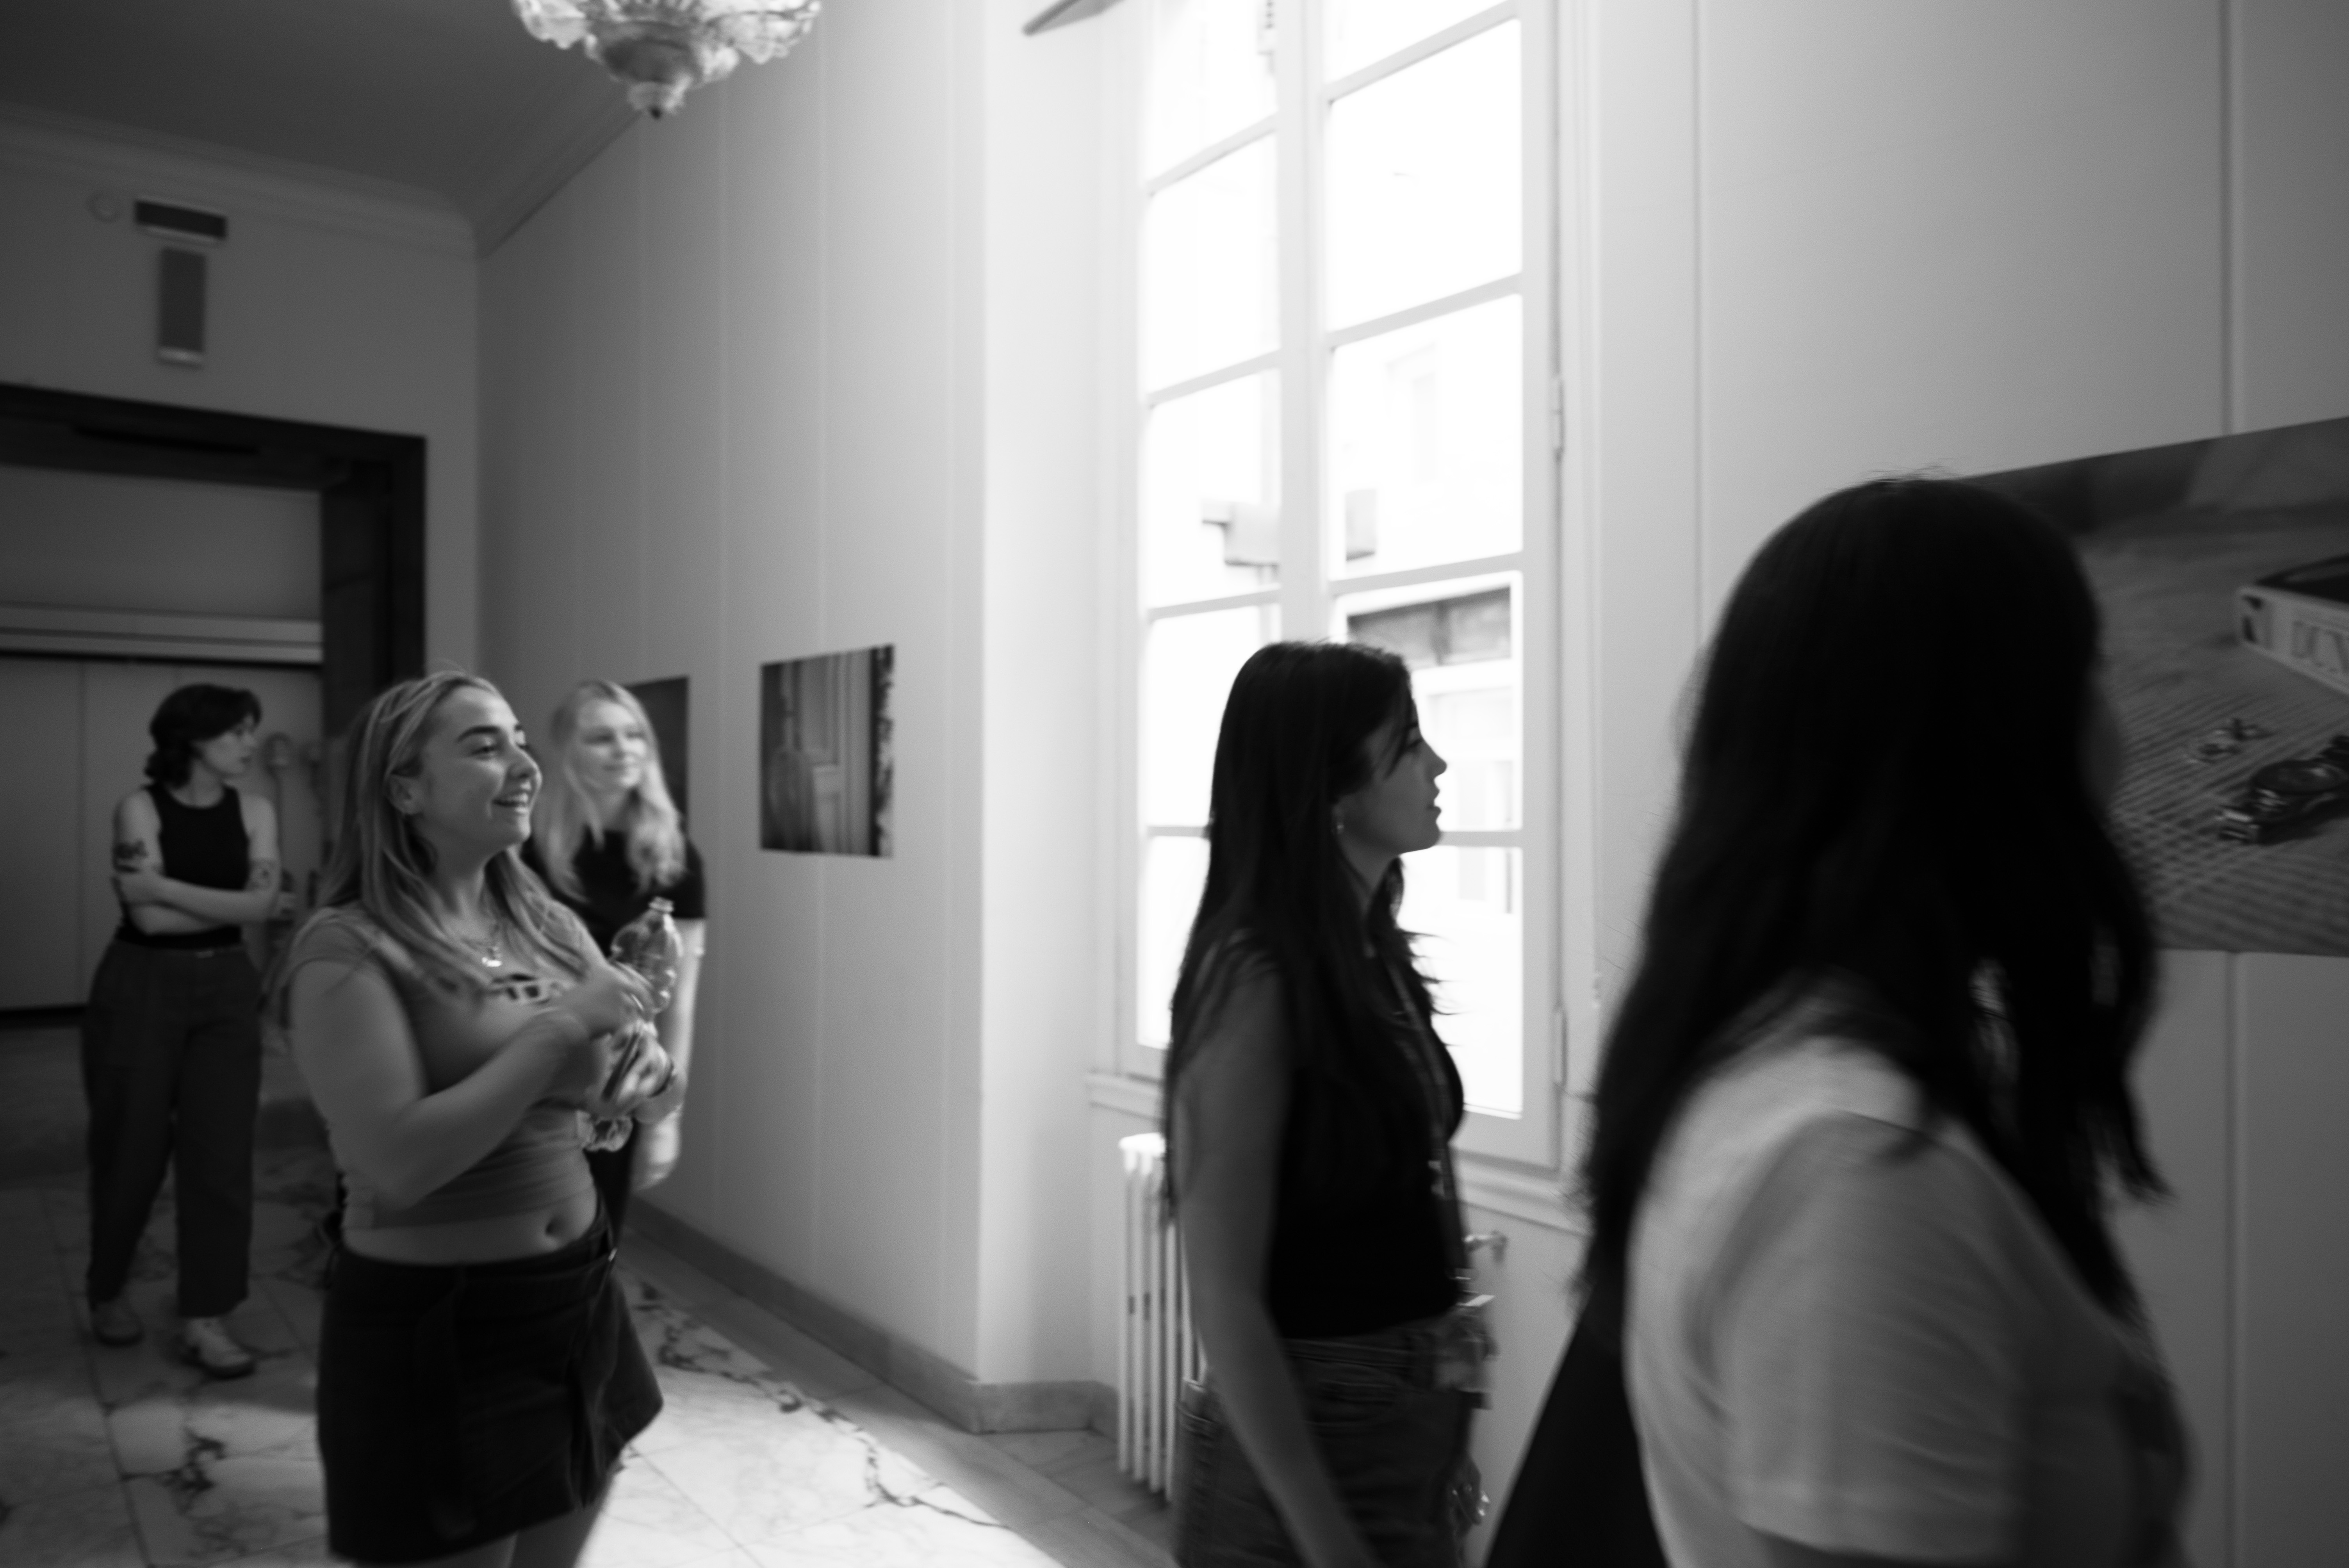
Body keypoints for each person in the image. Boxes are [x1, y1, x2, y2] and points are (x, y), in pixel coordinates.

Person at [1580, 478, 2188, 1567]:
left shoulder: (1822, 1080)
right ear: (1987, 740)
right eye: (2089, 672)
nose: (2122, 731)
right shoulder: (1854, 1166)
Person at [283, 671, 670, 1568]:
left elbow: (619, 1093)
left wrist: (641, 1080)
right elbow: (397, 1164)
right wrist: (561, 1028)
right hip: (443, 1327)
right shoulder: (346, 944)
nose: (525, 764)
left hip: (575, 1299)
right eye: (484, 745)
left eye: (521, 740)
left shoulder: (545, 921)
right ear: (405, 788)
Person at [1166, 640, 1489, 1568]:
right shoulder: (1255, 978)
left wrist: (1446, 1439)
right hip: (1305, 1455)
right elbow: (1225, 1300)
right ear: (1332, 787)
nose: (1436, 765)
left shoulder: (1375, 956)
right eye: (1407, 744)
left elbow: (1427, 1187)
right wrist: (1325, 1537)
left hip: (1404, 1431)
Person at [84, 682, 280, 1375]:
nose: (250, 745)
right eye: (237, 734)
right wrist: (207, 904)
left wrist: (162, 885)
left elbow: (259, 908)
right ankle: (106, 1289)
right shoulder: (137, 807)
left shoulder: (256, 810)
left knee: (221, 1160)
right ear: (192, 739)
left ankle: (207, 1316)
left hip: (228, 987)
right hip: (140, 985)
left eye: (252, 732)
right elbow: (149, 924)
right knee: (128, 1150)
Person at [523, 680, 705, 1233]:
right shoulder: (528, 852)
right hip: (530, 1079)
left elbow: (681, 1002)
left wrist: (666, 1116)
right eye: (602, 738)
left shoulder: (675, 858)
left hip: (616, 1088)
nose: (623, 749)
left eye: (634, 736)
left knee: (595, 1245)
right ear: (567, 752)